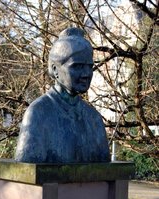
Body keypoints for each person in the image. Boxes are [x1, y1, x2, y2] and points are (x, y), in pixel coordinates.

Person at [15, 27, 110, 163]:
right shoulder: (38, 114)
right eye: (77, 66)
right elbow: (26, 169)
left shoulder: (93, 118)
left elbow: (105, 167)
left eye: (89, 66)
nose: (86, 74)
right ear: (55, 69)